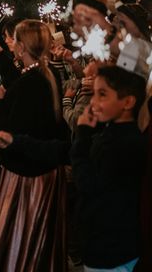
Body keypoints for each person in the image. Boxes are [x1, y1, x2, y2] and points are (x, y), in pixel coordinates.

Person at [0, 19, 68, 272]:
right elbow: (19, 79)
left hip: (27, 175)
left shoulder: (30, 83)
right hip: (46, 170)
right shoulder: (47, 73)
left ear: (22, 47)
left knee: (20, 231)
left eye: (14, 41)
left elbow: (11, 126)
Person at [72, 66, 146, 271]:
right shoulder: (110, 133)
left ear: (128, 102)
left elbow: (87, 183)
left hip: (112, 250)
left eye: (102, 94)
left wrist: (83, 136)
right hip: (105, 245)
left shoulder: (126, 144)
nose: (93, 102)